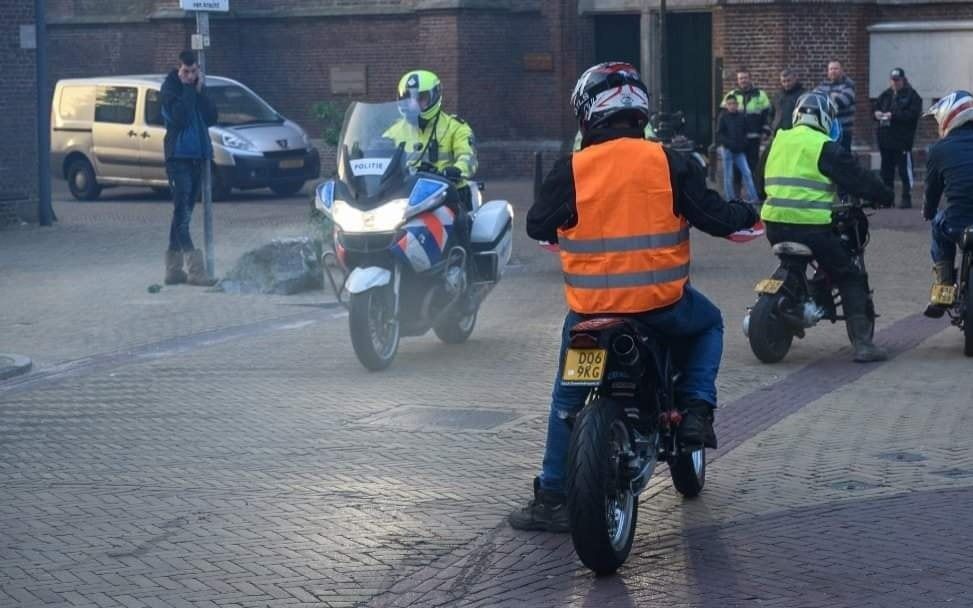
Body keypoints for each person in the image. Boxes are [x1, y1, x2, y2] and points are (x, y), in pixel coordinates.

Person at [509, 62, 758, 532]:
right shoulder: (669, 162)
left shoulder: (573, 170)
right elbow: (718, 217)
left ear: (587, 113)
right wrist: (750, 212)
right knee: (709, 324)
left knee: (567, 399)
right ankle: (696, 410)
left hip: (589, 314)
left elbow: (538, 226)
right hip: (661, 306)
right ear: (639, 111)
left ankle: (551, 495)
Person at [758, 92, 893, 362]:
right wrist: (884, 195)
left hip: (773, 226)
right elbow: (859, 179)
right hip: (812, 229)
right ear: (825, 118)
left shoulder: (777, 141)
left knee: (804, 262)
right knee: (849, 275)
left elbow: (757, 177)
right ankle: (864, 345)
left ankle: (800, 300)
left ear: (797, 115)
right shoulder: (824, 145)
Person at [162, 50, 219, 286]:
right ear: (179, 70)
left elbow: (212, 117)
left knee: (182, 214)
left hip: (197, 157)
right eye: (186, 71)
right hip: (178, 158)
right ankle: (196, 271)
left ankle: (173, 270)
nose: (190, 75)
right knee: (183, 216)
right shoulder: (169, 90)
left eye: (194, 71)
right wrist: (187, 88)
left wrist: (200, 91)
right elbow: (180, 118)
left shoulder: (196, 88)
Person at [921, 90, 973, 318]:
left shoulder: (939, 150)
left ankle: (944, 289)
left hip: (957, 222)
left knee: (937, 225)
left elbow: (932, 191)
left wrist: (929, 211)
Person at [872, 68, 922, 209]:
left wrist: (893, 115)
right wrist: (876, 114)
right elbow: (875, 108)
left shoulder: (912, 96)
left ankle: (906, 197)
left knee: (904, 171)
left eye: (897, 80)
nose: (895, 83)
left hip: (902, 141)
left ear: (903, 80)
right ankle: (888, 198)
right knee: (886, 171)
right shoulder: (885, 95)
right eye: (893, 80)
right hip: (885, 140)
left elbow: (912, 115)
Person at [726, 69, 773, 176]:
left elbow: (768, 115)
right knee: (736, 169)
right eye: (740, 78)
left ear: (750, 78)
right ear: (737, 80)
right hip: (736, 138)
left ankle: (753, 191)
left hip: (753, 138)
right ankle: (737, 192)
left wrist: (766, 131)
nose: (743, 80)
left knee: (753, 167)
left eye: (745, 78)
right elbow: (724, 117)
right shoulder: (732, 95)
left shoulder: (760, 95)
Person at [717, 95, 760, 202]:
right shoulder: (723, 117)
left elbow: (746, 133)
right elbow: (720, 134)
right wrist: (729, 144)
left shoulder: (742, 117)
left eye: (734, 104)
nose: (732, 106)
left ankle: (754, 198)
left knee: (747, 173)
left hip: (740, 151)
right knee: (728, 176)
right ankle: (730, 199)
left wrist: (743, 144)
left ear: (737, 105)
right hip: (728, 150)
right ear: (726, 105)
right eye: (729, 104)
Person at [814, 61, 856, 152]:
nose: (833, 71)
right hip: (827, 130)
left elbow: (842, 101)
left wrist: (826, 98)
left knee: (843, 158)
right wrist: (832, 96)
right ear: (828, 72)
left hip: (844, 130)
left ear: (842, 70)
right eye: (831, 69)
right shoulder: (822, 85)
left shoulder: (848, 85)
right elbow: (815, 100)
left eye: (836, 69)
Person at [772, 68, 805, 133]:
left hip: (796, 132)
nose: (786, 84)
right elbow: (771, 113)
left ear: (795, 79)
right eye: (783, 81)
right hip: (779, 133)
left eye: (788, 80)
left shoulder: (803, 95)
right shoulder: (778, 96)